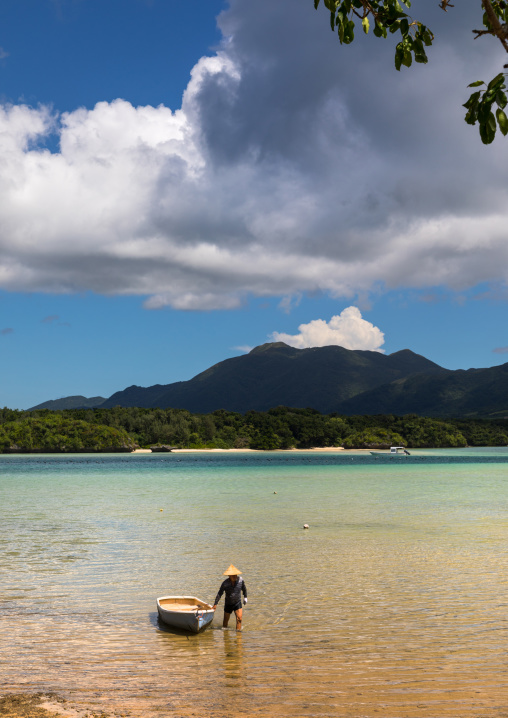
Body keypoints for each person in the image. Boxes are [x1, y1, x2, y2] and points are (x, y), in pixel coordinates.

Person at [212, 564, 248, 630]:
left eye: (236, 574)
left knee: (239, 619)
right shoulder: (225, 583)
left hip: (237, 602)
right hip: (228, 603)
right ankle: (225, 636)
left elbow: (244, 589)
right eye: (233, 575)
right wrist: (215, 604)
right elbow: (220, 593)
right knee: (225, 622)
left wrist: (245, 597)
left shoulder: (241, 580)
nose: (235, 576)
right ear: (229, 575)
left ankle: (238, 635)